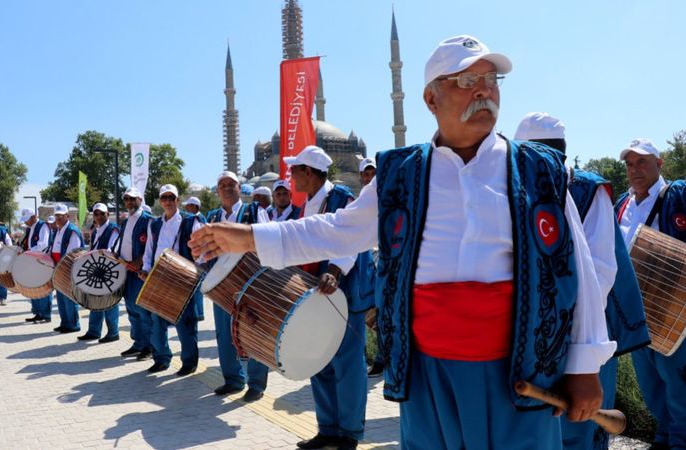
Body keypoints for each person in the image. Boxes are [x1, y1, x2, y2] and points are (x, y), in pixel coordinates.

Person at [189, 35, 615, 450]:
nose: (484, 91)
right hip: (427, 373)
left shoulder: (538, 169)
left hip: (521, 370)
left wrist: (584, 365)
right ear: (431, 99)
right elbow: (339, 231)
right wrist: (248, 237)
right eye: (467, 82)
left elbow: (576, 267)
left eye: (491, 80)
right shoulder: (402, 173)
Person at [516, 112, 649, 449]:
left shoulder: (587, 190)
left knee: (580, 433)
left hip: (583, 335)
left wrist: (565, 334)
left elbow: (600, 272)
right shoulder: (513, 188)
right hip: (533, 337)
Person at [616, 138, 686, 450]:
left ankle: (683, 440)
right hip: (634, 308)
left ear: (659, 163)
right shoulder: (620, 206)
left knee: (680, 378)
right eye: (630, 163)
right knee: (649, 380)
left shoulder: (681, 193)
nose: (635, 169)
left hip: (673, 305)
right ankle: (664, 435)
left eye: (642, 162)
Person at [276, 145, 374, 449]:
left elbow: (351, 238)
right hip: (315, 295)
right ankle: (328, 428)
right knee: (319, 362)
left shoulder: (342, 199)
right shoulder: (303, 205)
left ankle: (350, 433)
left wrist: (334, 270)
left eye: (295, 171)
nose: (291, 177)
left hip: (341, 292)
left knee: (347, 364)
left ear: (309, 172)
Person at [206, 171, 270, 402]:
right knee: (225, 333)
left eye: (230, 184)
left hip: (250, 282)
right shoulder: (212, 217)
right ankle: (233, 380)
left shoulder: (254, 211)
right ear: (217, 190)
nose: (226, 188)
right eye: (221, 184)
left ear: (238, 186)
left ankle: (256, 383)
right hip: (222, 283)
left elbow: (268, 240)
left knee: (252, 331)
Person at [139, 184, 201, 375]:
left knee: (185, 323)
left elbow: (200, 251)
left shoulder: (191, 222)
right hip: (158, 277)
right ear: (160, 201)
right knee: (156, 322)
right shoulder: (155, 224)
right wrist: (146, 269)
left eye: (170, 197)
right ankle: (161, 358)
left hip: (182, 278)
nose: (167, 201)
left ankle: (189, 363)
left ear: (177, 200)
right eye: (164, 198)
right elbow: (149, 249)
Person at [114, 187, 155, 360]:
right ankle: (138, 343)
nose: (129, 202)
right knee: (131, 309)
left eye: (132, 199)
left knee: (143, 310)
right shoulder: (125, 221)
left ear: (140, 199)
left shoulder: (148, 220)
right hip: (127, 271)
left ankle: (150, 346)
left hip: (140, 272)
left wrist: (139, 261)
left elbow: (151, 245)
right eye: (126, 199)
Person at [77, 203, 121, 343]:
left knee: (109, 301)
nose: (99, 216)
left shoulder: (113, 229)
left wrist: (94, 254)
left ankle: (113, 332)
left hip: (109, 270)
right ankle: (94, 331)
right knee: (95, 301)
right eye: (96, 214)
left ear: (107, 214)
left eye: (102, 213)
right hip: (97, 269)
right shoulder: (96, 230)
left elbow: (111, 249)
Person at [358, 157, 384, 378]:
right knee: (371, 313)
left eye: (372, 174)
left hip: (385, 261)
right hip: (367, 262)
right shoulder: (357, 202)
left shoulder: (387, 196)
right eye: (366, 174)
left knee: (385, 312)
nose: (369, 178)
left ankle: (383, 359)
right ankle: (377, 358)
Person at [47, 204, 85, 332]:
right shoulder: (57, 230)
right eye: (56, 216)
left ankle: (73, 324)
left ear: (67, 216)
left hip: (67, 268)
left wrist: (63, 268)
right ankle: (65, 322)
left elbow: (73, 253)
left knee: (69, 298)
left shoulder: (72, 231)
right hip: (58, 268)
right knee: (61, 298)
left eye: (60, 216)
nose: (58, 218)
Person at [18, 209, 53, 323]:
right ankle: (38, 312)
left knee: (43, 287)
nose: (26, 222)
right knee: (33, 286)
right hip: (32, 260)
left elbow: (43, 244)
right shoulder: (30, 228)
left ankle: (46, 314)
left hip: (42, 260)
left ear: (34, 217)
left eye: (27, 219)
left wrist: (28, 252)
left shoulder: (43, 226)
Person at [182, 196, 206, 321]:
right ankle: (199, 312)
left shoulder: (197, 220)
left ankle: (199, 313)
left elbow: (198, 242)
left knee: (196, 288)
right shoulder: (197, 219)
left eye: (189, 206)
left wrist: (196, 260)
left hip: (198, 260)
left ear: (195, 207)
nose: (186, 208)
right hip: (199, 260)